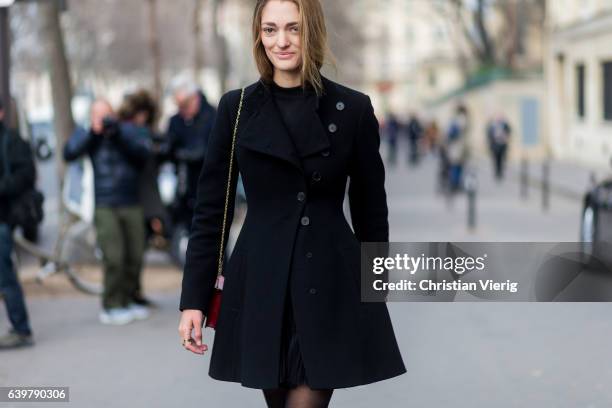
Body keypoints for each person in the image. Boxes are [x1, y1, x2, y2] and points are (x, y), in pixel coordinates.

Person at [177, 0, 407, 407]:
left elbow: (372, 209)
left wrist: (376, 283)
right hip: (262, 281)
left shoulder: (352, 108)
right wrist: (193, 300)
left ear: (312, 32)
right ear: (258, 36)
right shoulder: (237, 108)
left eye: (293, 28)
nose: (281, 41)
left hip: (331, 281)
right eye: (270, 30)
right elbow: (212, 211)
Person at [63, 99, 152, 325]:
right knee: (114, 257)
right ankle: (112, 305)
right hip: (104, 203)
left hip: (130, 200)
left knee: (135, 254)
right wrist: (94, 134)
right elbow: (69, 153)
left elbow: (143, 155)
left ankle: (129, 298)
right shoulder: (87, 133)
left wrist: (118, 134)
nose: (102, 119)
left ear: (114, 114)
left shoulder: (127, 131)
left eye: (106, 114)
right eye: (97, 114)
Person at [118, 90, 165, 307]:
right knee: (133, 252)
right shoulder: (136, 135)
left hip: (135, 198)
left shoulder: (131, 133)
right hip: (136, 199)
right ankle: (131, 293)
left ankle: (133, 293)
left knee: (135, 251)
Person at [0, 100, 35, 349]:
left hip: (2, 219)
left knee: (5, 277)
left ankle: (21, 330)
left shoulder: (11, 141)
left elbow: (26, 176)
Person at [165, 78, 217, 220]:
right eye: (179, 105)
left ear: (196, 98)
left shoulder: (213, 116)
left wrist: (188, 154)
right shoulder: (176, 121)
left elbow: (212, 152)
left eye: (185, 104)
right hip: (184, 187)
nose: (182, 110)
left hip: (210, 187)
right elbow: (169, 151)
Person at [445, 104, 470, 192]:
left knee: (455, 165)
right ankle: (455, 183)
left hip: (455, 146)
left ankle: (454, 183)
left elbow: (449, 133)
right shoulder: (463, 119)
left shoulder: (455, 119)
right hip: (459, 146)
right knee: (457, 166)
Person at [486, 113, 511, 181]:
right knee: (496, 159)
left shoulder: (505, 125)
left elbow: (509, 132)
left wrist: (505, 138)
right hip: (495, 145)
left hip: (502, 145)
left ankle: (500, 172)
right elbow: (489, 134)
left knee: (501, 159)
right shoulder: (493, 126)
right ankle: (497, 172)